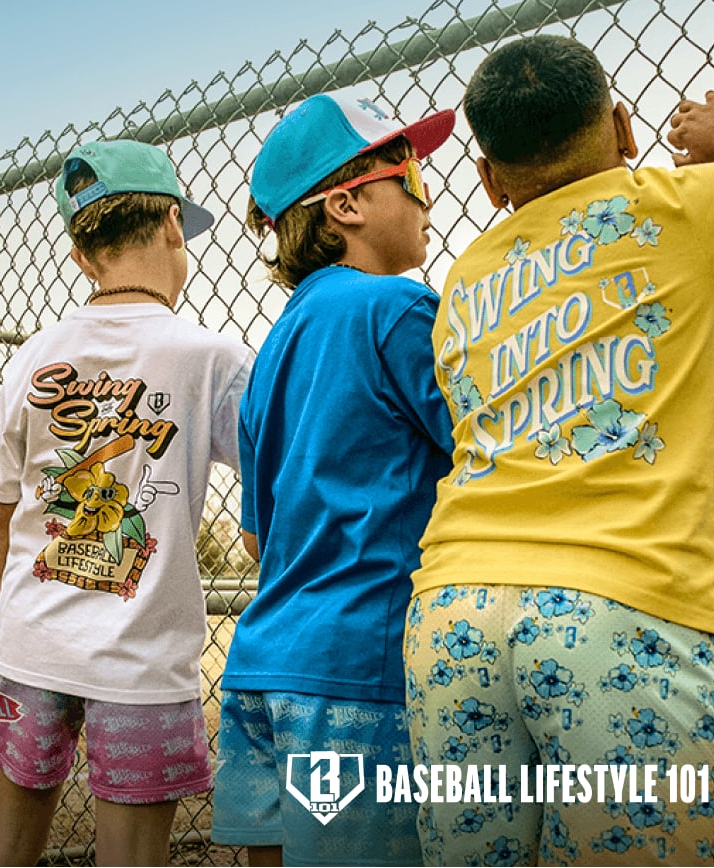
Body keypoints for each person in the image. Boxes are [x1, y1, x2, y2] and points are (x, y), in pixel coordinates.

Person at [403, 37, 714, 867]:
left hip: (453, 607)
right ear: (624, 129)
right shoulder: (682, 207)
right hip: (620, 603)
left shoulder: (467, 274)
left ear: (489, 181)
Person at [0, 139, 254, 866]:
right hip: (140, 664)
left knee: (8, 842)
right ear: (172, 225)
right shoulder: (212, 357)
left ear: (81, 256)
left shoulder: (33, 355)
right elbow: (271, 494)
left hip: (28, 651)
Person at [211, 93, 456, 867]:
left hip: (263, 663)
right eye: (410, 177)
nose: (426, 198)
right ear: (345, 205)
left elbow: (256, 538)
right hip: (361, 668)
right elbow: (485, 452)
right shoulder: (399, 308)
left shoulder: (274, 348)